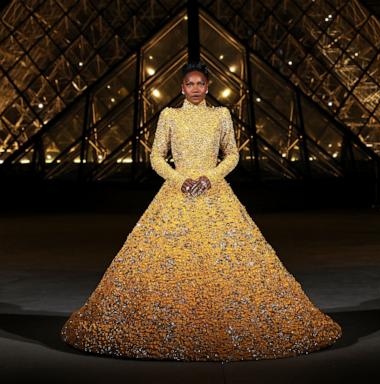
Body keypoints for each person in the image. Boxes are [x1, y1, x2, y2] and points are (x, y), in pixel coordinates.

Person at [61, 61, 342, 362]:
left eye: (200, 84)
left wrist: (211, 177)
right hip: (177, 191)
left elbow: (232, 154)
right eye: (190, 84)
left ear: (207, 87)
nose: (195, 89)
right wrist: (180, 180)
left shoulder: (221, 115)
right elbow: (156, 157)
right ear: (182, 88)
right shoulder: (169, 116)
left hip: (214, 191)